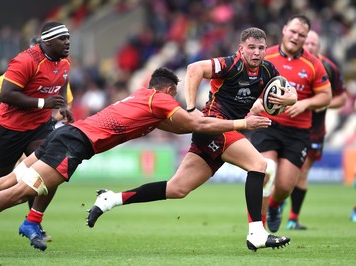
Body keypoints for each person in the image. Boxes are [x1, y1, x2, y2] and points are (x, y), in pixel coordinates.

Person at [0, 67, 274, 251]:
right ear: (167, 89)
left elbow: (179, 127)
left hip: (68, 135)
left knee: (11, 180)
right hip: (74, 144)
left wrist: (202, 126)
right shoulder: (160, 99)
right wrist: (243, 123)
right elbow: (194, 123)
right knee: (20, 192)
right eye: (174, 94)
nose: (175, 100)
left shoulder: (142, 97)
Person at [87, 27, 296, 252]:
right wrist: (190, 107)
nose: (256, 52)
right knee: (259, 165)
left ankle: (111, 199)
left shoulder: (267, 69)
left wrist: (286, 99)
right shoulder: (230, 64)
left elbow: (291, 92)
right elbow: (194, 68)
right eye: (251, 48)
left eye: (261, 48)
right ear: (241, 49)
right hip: (213, 126)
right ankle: (256, 233)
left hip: (216, 132)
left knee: (177, 188)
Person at [0, 21, 73, 252]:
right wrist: (44, 102)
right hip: (9, 130)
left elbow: (63, 81)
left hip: (39, 127)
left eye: (68, 38)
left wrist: (61, 106)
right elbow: (6, 94)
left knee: (51, 168)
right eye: (62, 39)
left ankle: (33, 221)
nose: (68, 42)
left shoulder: (64, 62)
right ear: (48, 41)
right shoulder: (25, 61)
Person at [249, 15, 332, 233]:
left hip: (298, 132)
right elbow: (248, 84)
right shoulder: (266, 56)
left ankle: (276, 205)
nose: (296, 37)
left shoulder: (313, 65)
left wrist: (304, 105)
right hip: (267, 125)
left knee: (284, 187)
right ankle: (260, 230)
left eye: (301, 35)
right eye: (293, 31)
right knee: (267, 172)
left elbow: (326, 96)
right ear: (285, 30)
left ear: (306, 39)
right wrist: (255, 102)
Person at [284, 30, 347, 230]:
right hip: (286, 126)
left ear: (319, 47)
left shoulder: (327, 67)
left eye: (314, 43)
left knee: (301, 173)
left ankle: (293, 218)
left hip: (314, 130)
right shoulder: (290, 62)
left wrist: (323, 103)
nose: (310, 46)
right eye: (307, 42)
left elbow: (342, 98)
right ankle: (280, 196)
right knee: (284, 172)